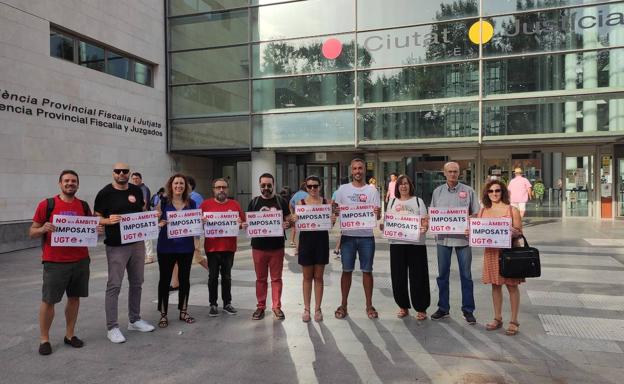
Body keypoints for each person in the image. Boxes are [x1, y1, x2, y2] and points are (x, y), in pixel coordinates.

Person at [30, 170, 98, 355]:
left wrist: (96, 229)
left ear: (78, 184)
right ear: (60, 183)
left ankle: (70, 335)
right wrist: (43, 228)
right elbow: (32, 231)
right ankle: (44, 339)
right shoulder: (48, 204)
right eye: (66, 181)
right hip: (55, 262)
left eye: (73, 181)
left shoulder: (83, 206)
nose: (70, 184)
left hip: (80, 261)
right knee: (49, 300)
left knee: (74, 298)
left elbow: (89, 229)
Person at [94, 162, 155, 343]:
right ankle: (112, 327)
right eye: (117, 171)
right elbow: (96, 217)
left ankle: (134, 319)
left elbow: (141, 213)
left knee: (137, 282)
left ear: (129, 173)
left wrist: (152, 218)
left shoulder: (136, 191)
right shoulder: (105, 193)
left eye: (125, 171)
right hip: (116, 245)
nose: (121, 173)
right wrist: (106, 220)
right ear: (113, 173)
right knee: (114, 285)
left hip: (137, 243)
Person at [430, 162, 480, 324]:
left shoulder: (468, 191)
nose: (452, 174)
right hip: (443, 239)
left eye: (455, 172)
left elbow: (477, 214)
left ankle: (468, 310)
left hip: (463, 240)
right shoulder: (437, 192)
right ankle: (443, 308)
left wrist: (468, 222)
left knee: (466, 276)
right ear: (444, 173)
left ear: (459, 173)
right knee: (442, 275)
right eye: (449, 172)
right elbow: (433, 214)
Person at [332, 158, 381, 320]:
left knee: (367, 271)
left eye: (360, 168)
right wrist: (335, 210)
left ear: (364, 170)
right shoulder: (343, 189)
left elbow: (378, 215)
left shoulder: (372, 190)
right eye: (355, 169)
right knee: (346, 271)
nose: (357, 171)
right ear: (351, 171)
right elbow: (334, 208)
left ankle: (369, 305)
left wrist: (377, 212)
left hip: (367, 237)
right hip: (348, 237)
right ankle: (343, 304)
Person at [478, 180, 524, 336]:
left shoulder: (512, 210)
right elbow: (479, 231)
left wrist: (512, 230)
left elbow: (519, 232)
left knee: (512, 286)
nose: (494, 194)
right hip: (491, 252)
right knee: (495, 286)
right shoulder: (483, 211)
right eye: (490, 191)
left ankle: (514, 321)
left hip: (508, 253)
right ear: (486, 193)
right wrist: (470, 232)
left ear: (503, 191)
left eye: (497, 190)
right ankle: (497, 318)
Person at [244, 173, 291, 320]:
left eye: (269, 185)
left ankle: (277, 307)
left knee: (276, 279)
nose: (266, 188)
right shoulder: (254, 202)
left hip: (277, 247)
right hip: (258, 247)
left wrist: (288, 224)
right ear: (259, 186)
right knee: (260, 279)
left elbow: (289, 220)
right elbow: (248, 222)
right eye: (263, 185)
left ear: (273, 185)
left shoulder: (281, 201)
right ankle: (260, 307)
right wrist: (245, 225)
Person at [383, 175, 430, 320]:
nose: (403, 186)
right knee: (398, 277)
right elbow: (387, 221)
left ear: (410, 186)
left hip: (416, 245)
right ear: (396, 187)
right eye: (401, 184)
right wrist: (383, 226)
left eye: (406, 184)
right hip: (397, 245)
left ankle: (421, 308)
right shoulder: (391, 202)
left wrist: (425, 227)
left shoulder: (418, 201)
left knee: (418, 277)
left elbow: (425, 222)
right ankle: (403, 306)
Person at [155, 174, 197, 328]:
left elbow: (195, 222)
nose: (179, 186)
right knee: (164, 280)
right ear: (170, 185)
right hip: (166, 247)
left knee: (185, 280)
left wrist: (201, 221)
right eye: (176, 183)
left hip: (186, 247)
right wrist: (158, 221)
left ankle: (183, 311)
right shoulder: (163, 202)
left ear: (185, 186)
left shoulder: (191, 203)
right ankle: (163, 314)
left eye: (181, 183)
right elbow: (155, 220)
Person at [292, 175, 335, 322]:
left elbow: (330, 225)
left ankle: (317, 308)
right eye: (309, 186)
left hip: (321, 241)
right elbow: (296, 225)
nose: (312, 189)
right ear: (306, 187)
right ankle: (306, 308)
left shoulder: (326, 203)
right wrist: (294, 220)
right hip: (306, 242)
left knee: (319, 277)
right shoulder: (301, 203)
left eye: (315, 186)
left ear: (320, 186)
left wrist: (332, 221)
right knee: (306, 277)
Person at [200, 178, 245, 317]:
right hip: (212, 248)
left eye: (224, 187)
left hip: (229, 247)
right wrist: (201, 222)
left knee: (227, 277)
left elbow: (243, 223)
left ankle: (227, 303)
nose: (221, 190)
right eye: (218, 187)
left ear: (228, 189)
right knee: (212, 277)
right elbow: (196, 225)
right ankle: (213, 304)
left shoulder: (235, 204)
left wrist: (240, 223)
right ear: (213, 189)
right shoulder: (205, 205)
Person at [131, 172, 155, 264]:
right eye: (133, 179)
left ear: (141, 179)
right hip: (136, 215)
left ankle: (150, 256)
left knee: (147, 237)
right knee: (139, 237)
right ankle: (144, 255)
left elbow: (144, 204)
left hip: (144, 214)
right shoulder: (134, 189)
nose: (135, 180)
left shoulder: (144, 189)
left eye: (136, 178)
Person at [289, 182, 308, 251]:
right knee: (303, 232)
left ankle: (292, 241)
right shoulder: (307, 195)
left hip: (296, 213)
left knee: (295, 229)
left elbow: (290, 204)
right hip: (305, 215)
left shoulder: (296, 194)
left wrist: (292, 213)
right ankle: (299, 248)